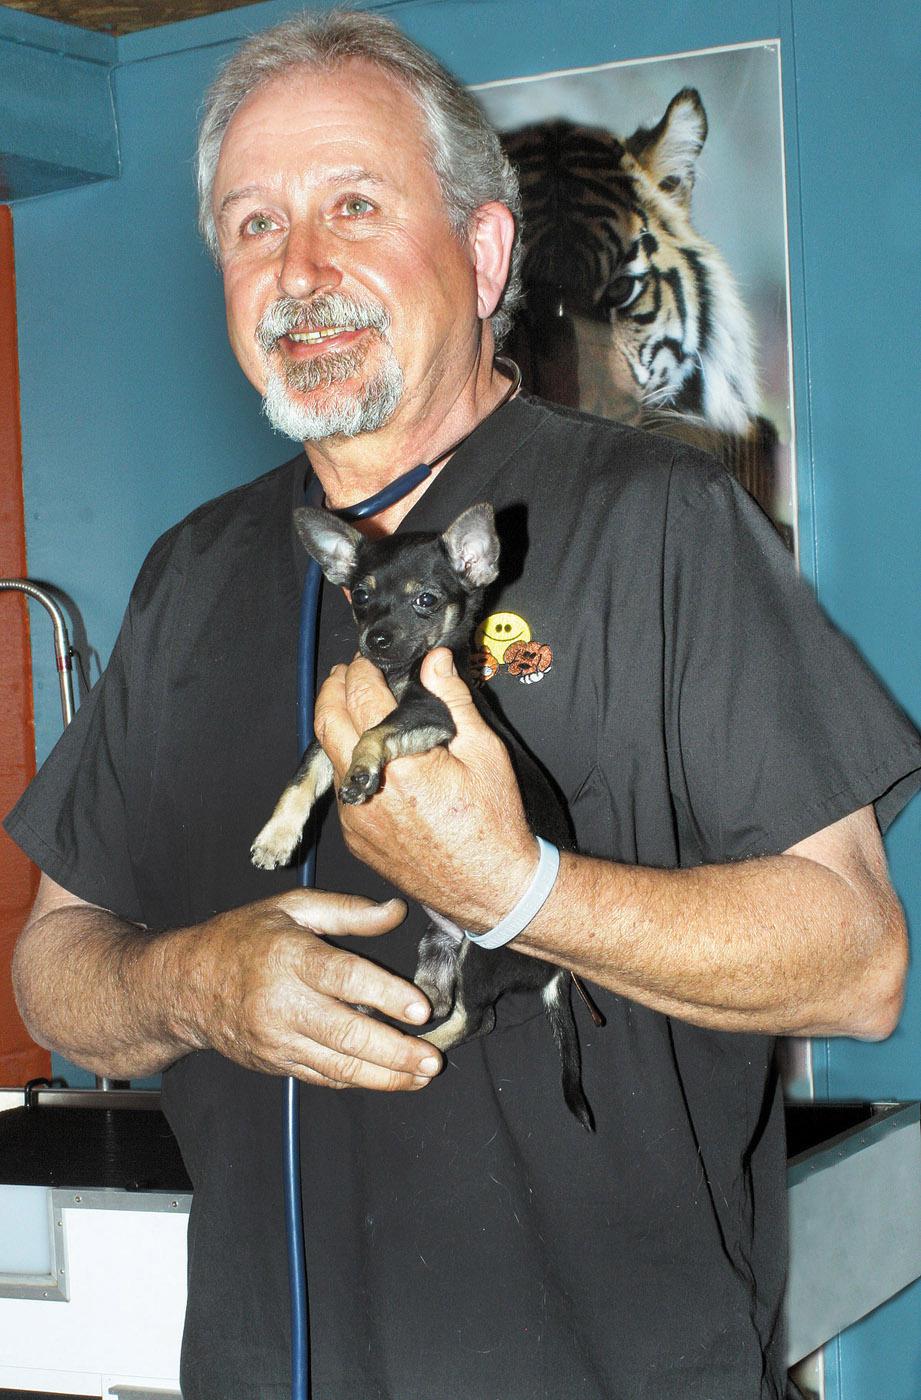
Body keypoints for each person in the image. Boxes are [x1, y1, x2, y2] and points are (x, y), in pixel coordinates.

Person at [7, 11, 920, 1400]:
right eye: (254, 227)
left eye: (352, 207)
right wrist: (190, 983)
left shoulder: (659, 525)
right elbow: (53, 963)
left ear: (484, 255)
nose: (298, 270)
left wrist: (518, 890)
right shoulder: (189, 574)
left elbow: (854, 963)